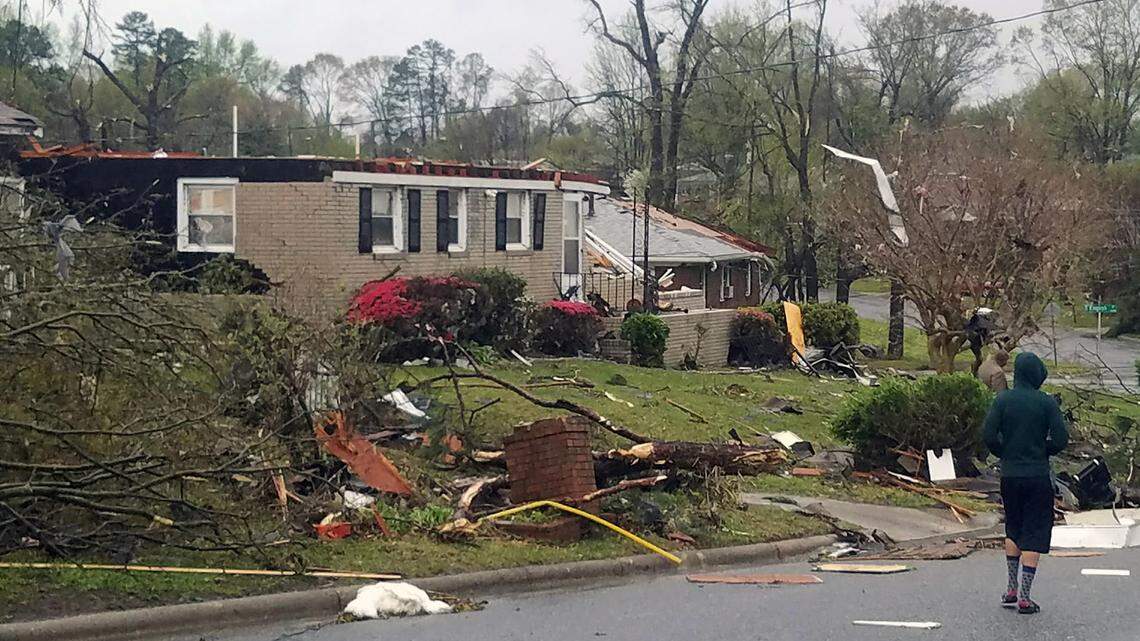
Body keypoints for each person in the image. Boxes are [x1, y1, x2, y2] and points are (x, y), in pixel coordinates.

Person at [982, 352, 1068, 615]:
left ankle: (1010, 586)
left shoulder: (1003, 400)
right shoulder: (1046, 403)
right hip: (1037, 475)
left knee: (1014, 527)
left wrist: (1003, 451)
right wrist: (1044, 449)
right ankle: (1025, 597)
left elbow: (988, 433)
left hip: (1010, 475)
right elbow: (1061, 439)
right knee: (1035, 531)